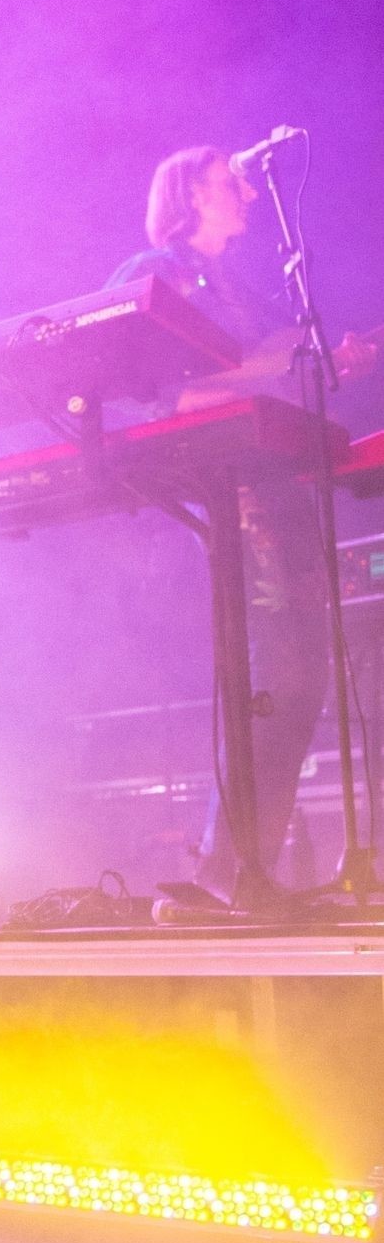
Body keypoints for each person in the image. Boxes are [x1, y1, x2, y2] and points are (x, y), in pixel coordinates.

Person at [108, 145, 376, 907]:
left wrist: (330, 360)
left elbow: (270, 367)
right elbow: (146, 384)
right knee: (276, 673)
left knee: (305, 677)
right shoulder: (151, 272)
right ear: (191, 193)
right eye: (232, 182)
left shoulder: (243, 290)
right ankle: (226, 873)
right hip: (232, 494)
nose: (250, 194)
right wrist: (275, 366)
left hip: (277, 483)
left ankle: (244, 870)